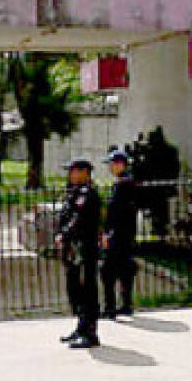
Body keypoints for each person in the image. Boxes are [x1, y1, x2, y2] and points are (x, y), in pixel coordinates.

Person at [56, 158, 102, 349]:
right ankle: (81, 327)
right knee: (75, 290)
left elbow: (78, 219)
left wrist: (64, 234)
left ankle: (90, 333)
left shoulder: (88, 194)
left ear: (84, 172)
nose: (70, 175)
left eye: (74, 171)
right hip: (74, 249)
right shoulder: (74, 192)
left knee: (87, 290)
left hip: (85, 248)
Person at [100, 148, 138, 319]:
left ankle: (110, 307)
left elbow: (116, 213)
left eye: (112, 164)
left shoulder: (123, 185)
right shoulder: (127, 183)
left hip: (119, 235)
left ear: (120, 164)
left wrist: (108, 234)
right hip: (126, 234)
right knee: (125, 270)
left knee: (108, 272)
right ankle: (126, 304)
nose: (110, 168)